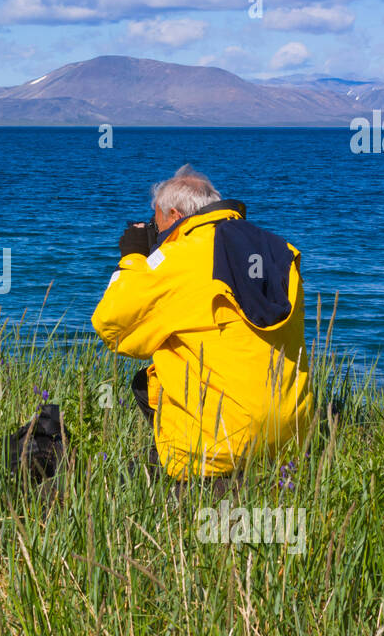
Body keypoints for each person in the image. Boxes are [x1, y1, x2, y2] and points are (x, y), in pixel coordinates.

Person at [92, 165, 311, 493]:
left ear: (175, 214)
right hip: (290, 443)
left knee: (146, 379)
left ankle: (191, 472)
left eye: (157, 221)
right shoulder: (281, 250)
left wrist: (135, 259)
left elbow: (111, 325)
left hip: (215, 451)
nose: (157, 229)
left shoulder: (175, 259)